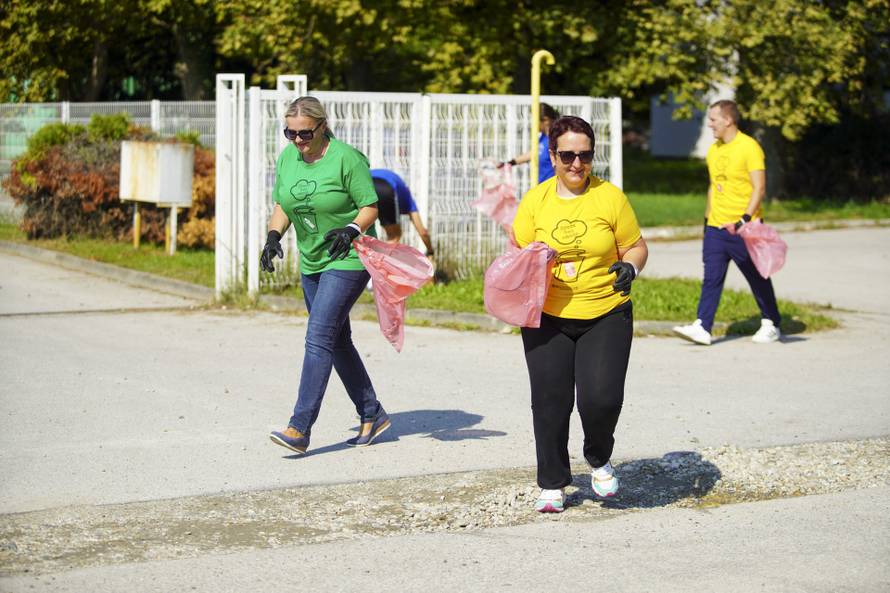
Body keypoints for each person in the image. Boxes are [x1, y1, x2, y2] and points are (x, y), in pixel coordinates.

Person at [512, 115, 648, 513]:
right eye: (568, 155)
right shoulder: (535, 201)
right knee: (549, 401)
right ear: (552, 155)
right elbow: (518, 254)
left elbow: (636, 246)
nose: (577, 164)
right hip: (547, 315)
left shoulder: (610, 197)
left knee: (601, 399)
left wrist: (631, 267)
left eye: (585, 156)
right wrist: (529, 266)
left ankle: (598, 457)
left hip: (606, 310)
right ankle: (553, 483)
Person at [261, 96, 391, 455]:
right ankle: (371, 412)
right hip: (312, 260)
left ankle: (299, 428)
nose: (298, 140)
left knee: (318, 336)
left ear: (322, 127)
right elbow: (282, 204)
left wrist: (351, 229)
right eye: (290, 132)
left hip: (348, 257)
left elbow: (370, 206)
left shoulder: (346, 158)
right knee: (336, 341)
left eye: (305, 133)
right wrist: (273, 236)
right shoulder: (288, 157)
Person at [672, 100, 781, 346]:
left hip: (744, 228)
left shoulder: (749, 147)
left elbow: (759, 187)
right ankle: (703, 326)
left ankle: (771, 322)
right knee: (711, 277)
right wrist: (706, 221)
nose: (709, 124)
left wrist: (744, 219)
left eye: (713, 119)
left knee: (757, 276)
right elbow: (714, 187)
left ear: (728, 120)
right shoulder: (715, 149)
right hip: (716, 227)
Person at [369, 168, 434, 255]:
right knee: (394, 235)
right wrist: (430, 251)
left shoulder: (399, 187)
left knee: (360, 229)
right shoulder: (407, 197)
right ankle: (380, 264)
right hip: (385, 187)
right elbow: (423, 232)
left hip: (363, 183)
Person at [500, 103, 560, 184]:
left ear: (545, 120)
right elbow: (533, 153)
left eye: (535, 120)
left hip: (550, 188)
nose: (533, 123)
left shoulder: (555, 140)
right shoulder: (543, 138)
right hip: (540, 187)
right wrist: (509, 163)